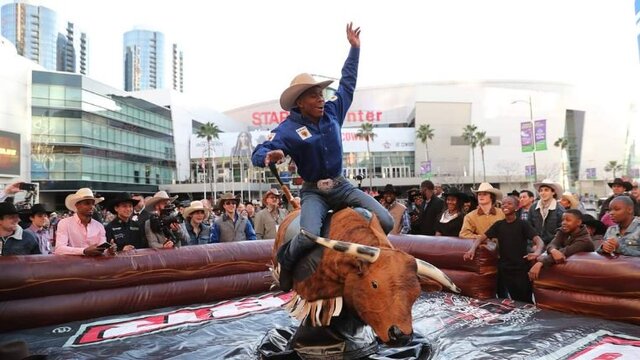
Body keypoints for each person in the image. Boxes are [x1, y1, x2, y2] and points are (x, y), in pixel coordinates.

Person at [251, 23, 392, 291]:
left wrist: (354, 50)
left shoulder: (333, 111)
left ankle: (362, 266)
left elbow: (348, 82)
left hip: (341, 186)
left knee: (385, 221)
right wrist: (271, 154)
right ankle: (285, 263)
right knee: (308, 236)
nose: (320, 99)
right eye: (314, 95)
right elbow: (258, 153)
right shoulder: (287, 129)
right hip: (314, 192)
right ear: (299, 103)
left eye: (320, 94)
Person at [463, 196, 543, 303]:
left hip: (521, 268)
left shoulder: (523, 224)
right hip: (505, 268)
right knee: (511, 299)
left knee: (525, 299)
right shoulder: (499, 225)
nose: (505, 206)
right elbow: (481, 238)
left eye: (509, 204)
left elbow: (539, 241)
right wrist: (472, 249)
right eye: (503, 204)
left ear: (516, 207)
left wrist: (537, 252)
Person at [529, 209, 595, 280]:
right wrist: (553, 250)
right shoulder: (563, 231)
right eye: (563, 220)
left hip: (580, 275)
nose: (563, 223)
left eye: (568, 220)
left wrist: (540, 263)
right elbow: (552, 244)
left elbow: (565, 252)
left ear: (578, 222)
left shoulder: (585, 240)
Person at [54, 188, 111, 256]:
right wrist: (84, 251)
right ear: (77, 206)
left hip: (94, 265)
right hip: (73, 265)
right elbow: (59, 249)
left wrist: (109, 250)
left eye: (93, 204)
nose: (91, 207)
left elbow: (102, 249)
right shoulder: (64, 223)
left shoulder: (99, 226)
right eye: (87, 203)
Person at [528, 179, 565, 246]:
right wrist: (532, 245)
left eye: (546, 190)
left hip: (554, 246)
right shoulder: (533, 208)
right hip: (535, 245)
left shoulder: (560, 209)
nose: (543, 193)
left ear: (553, 192)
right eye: (541, 190)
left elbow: (561, 232)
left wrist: (552, 247)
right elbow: (529, 228)